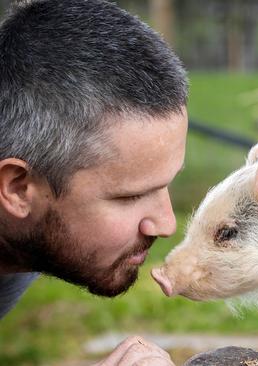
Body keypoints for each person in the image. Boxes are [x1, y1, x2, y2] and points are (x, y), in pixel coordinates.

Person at [0, 0, 188, 364]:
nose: (167, 224)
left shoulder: (24, 238)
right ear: (17, 188)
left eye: (166, 184)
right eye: (130, 196)